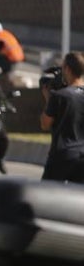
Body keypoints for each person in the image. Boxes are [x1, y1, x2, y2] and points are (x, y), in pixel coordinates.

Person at [40, 51, 84, 183]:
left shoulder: (59, 96)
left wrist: (48, 99)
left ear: (68, 69)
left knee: (47, 195)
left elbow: (45, 124)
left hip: (62, 155)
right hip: (82, 155)